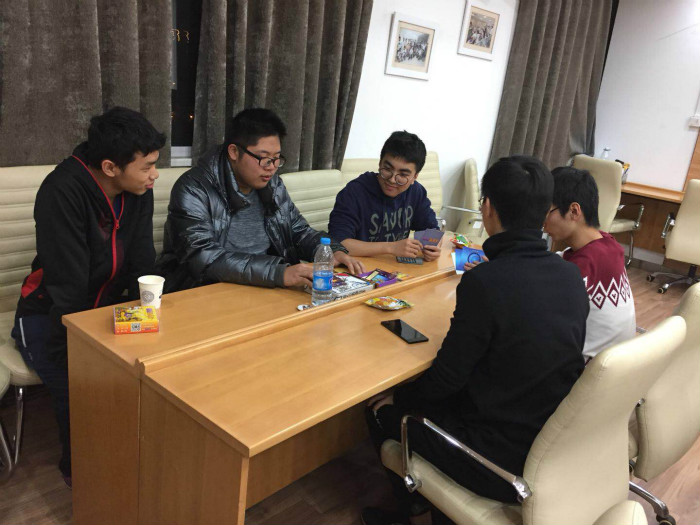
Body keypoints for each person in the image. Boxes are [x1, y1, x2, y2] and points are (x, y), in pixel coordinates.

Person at [362, 156, 589, 525]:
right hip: (551, 442)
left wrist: (398, 398)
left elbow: (446, 380)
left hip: (495, 459)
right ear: (545, 211)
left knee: (378, 406)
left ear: (487, 208)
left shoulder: (486, 282)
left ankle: (414, 510)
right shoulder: (570, 275)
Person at [11, 107, 165, 486]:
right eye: (147, 166)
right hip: (48, 314)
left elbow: (142, 258)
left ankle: (137, 458)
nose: (155, 175)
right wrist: (77, 352)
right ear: (111, 167)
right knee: (79, 386)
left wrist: (148, 314)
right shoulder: (62, 190)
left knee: (147, 368)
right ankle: (81, 475)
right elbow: (68, 283)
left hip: (104, 310)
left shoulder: (137, 191)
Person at [157, 108, 362, 291]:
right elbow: (203, 257)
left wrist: (331, 251)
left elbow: (299, 231)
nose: (271, 167)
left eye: (276, 158)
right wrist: (278, 273)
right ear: (234, 152)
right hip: (208, 290)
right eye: (264, 158)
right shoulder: (194, 189)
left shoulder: (273, 185)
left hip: (264, 286)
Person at [543, 166, 636, 360]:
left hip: (585, 370)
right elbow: (557, 259)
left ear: (574, 211)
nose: (543, 223)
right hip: (617, 366)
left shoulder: (580, 269)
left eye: (547, 211)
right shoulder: (608, 245)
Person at [328, 131, 440, 262]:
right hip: (359, 267)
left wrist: (432, 247)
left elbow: (432, 231)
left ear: (415, 177)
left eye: (403, 175)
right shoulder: (354, 192)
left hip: (395, 267)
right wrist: (391, 247)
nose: (392, 180)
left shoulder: (416, 192)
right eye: (387, 169)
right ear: (380, 163)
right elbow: (337, 244)